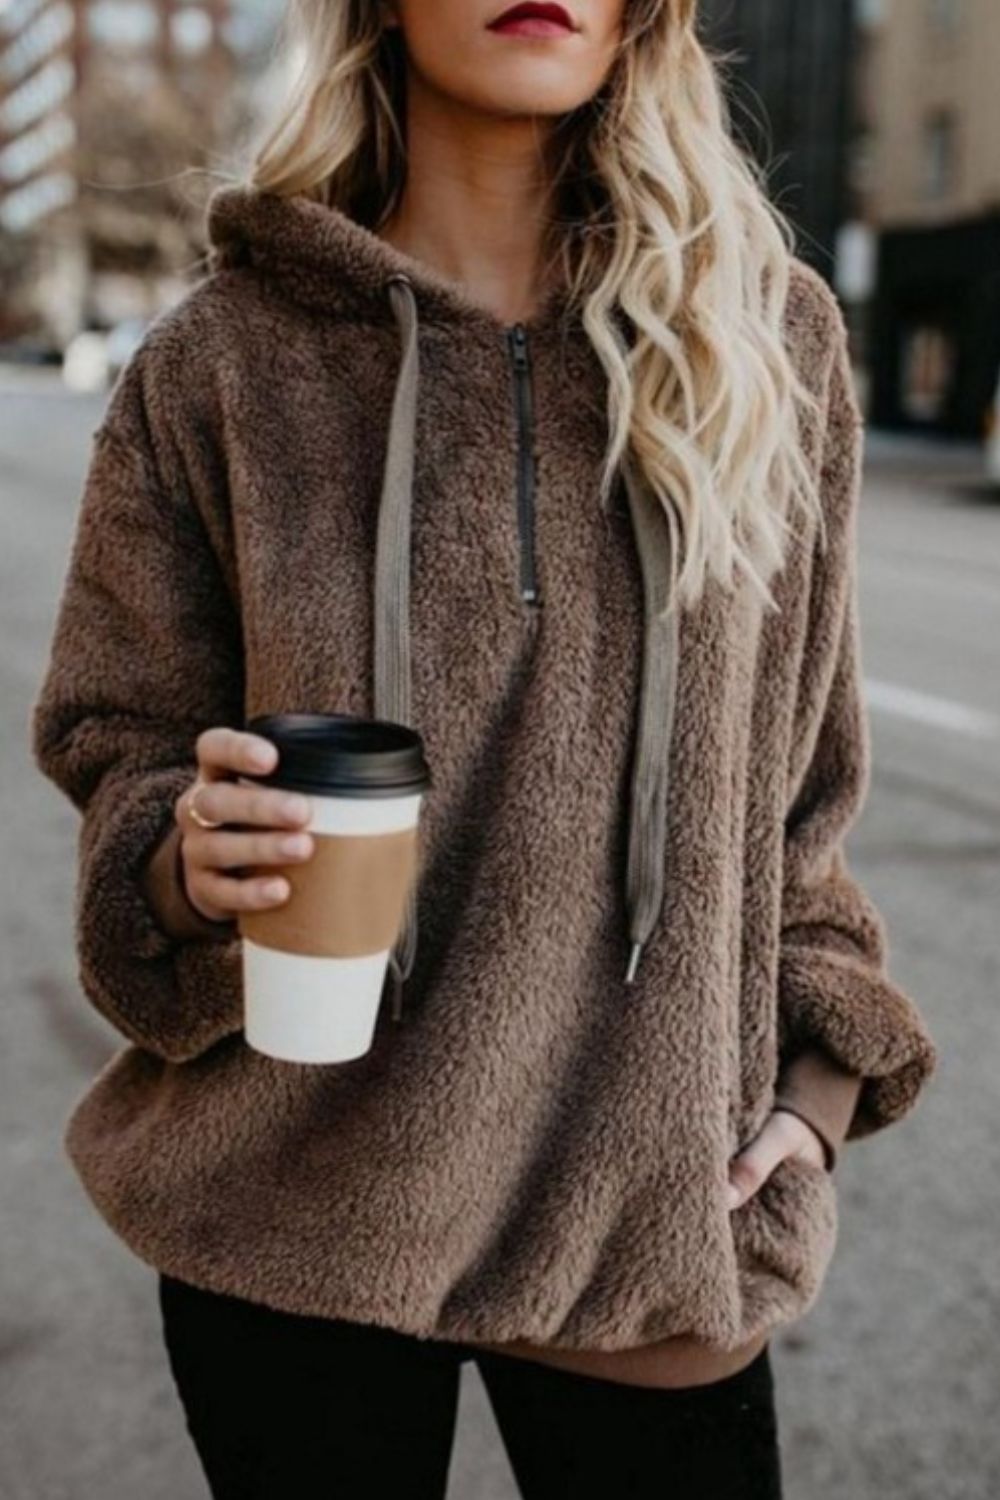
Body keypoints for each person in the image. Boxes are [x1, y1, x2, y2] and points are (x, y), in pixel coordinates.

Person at [29, 0, 938, 1496]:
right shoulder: (223, 364)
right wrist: (182, 860)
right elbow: (119, 739)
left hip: (645, 1220)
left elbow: (803, 787)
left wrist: (816, 1096)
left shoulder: (766, 338)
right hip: (291, 1214)